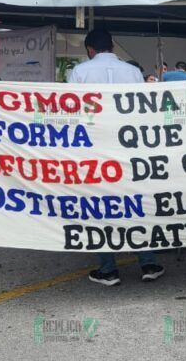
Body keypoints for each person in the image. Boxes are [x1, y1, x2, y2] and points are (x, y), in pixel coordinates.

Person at [68, 29, 165, 285]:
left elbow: (73, 112)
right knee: (134, 204)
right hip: (128, 147)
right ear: (111, 47)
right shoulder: (132, 72)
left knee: (100, 208)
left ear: (90, 49)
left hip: (95, 148)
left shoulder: (80, 72)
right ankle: (148, 263)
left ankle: (108, 269)